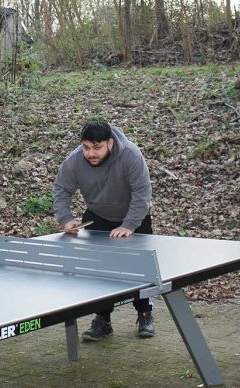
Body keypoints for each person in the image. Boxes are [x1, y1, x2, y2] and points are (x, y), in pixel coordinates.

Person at [53, 120, 155, 341]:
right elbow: (61, 189)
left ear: (110, 143)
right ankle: (102, 320)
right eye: (86, 147)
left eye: (97, 148)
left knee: (141, 270)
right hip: (98, 218)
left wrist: (128, 225)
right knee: (100, 273)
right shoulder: (74, 161)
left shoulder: (131, 156)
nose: (91, 153)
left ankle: (145, 313)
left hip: (134, 217)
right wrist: (66, 219)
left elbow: (142, 194)